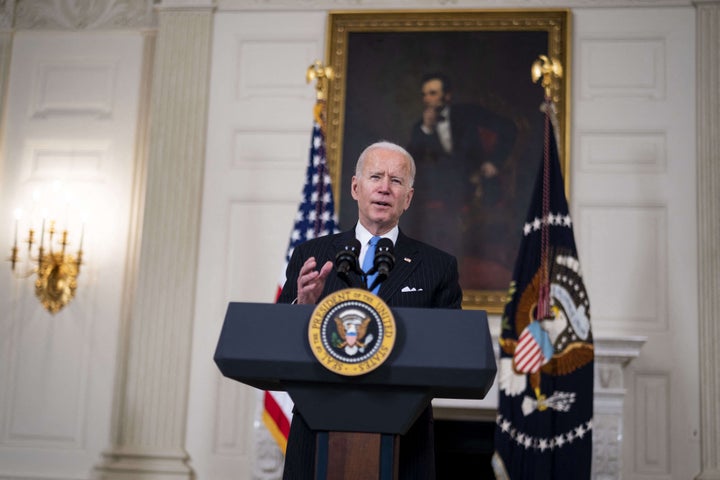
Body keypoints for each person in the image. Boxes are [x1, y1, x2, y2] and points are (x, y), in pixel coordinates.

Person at [277, 141, 463, 480]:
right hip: (319, 427)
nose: (384, 187)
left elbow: (450, 349)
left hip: (405, 435)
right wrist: (303, 306)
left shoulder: (438, 266)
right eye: (376, 176)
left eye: (396, 180)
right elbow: (279, 344)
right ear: (355, 187)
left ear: (408, 198)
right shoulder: (313, 255)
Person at [405, 72, 518, 257]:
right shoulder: (420, 127)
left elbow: (508, 128)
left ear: (447, 96)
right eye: (424, 94)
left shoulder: (469, 113)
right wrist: (426, 129)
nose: (427, 99)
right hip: (441, 190)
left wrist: (494, 162)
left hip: (477, 183)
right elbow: (410, 162)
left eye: (432, 93)